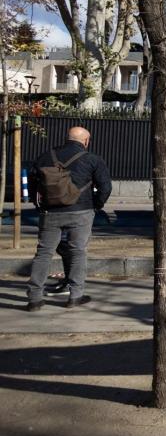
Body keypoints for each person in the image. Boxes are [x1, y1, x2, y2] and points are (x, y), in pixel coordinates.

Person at [25, 126, 111, 311]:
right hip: (81, 211)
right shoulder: (92, 159)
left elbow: (33, 182)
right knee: (77, 251)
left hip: (50, 212)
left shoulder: (46, 156)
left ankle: (34, 298)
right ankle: (75, 296)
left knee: (43, 253)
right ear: (86, 141)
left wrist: (38, 204)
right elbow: (106, 187)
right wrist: (96, 205)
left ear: (67, 139)